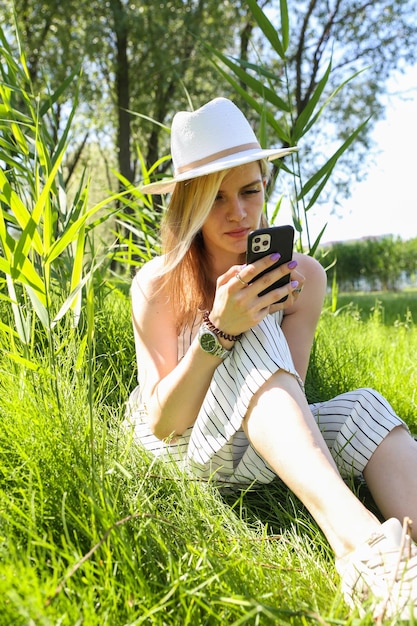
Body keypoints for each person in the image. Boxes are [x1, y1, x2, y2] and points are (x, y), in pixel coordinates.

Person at [126, 96, 417, 621]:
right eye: (215, 198)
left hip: (263, 446)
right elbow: (163, 423)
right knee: (249, 330)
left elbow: (292, 404)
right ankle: (360, 546)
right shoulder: (157, 283)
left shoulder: (302, 278)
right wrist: (220, 330)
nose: (238, 213)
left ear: (265, 185)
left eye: (250, 191)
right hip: (181, 451)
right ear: (187, 204)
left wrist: (280, 318)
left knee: (362, 408)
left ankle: (409, 559)